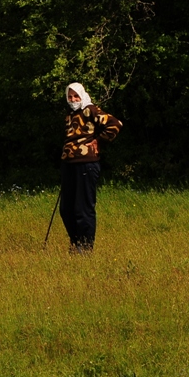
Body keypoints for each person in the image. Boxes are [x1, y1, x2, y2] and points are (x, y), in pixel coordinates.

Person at [60, 82, 122, 253]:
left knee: (83, 208)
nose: (73, 99)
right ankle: (76, 243)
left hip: (86, 163)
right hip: (69, 164)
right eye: (70, 96)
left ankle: (86, 247)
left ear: (82, 95)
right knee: (66, 209)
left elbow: (115, 124)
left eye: (76, 96)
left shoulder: (90, 110)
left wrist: (99, 140)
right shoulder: (69, 114)